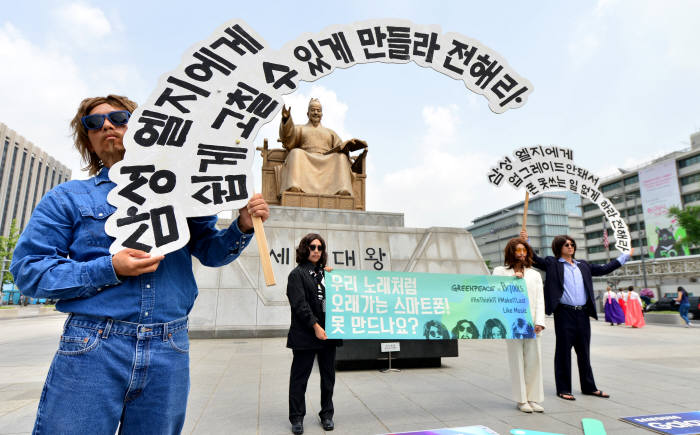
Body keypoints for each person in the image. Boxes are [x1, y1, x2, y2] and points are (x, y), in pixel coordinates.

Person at [9, 95, 270, 434]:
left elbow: (211, 250)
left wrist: (243, 226)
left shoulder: (183, 192)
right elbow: (30, 270)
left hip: (169, 345)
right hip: (93, 345)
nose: (106, 125)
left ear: (144, 128)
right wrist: (109, 268)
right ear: (88, 140)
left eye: (118, 117)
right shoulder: (68, 198)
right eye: (93, 123)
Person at [521, 230, 631, 401]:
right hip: (564, 313)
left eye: (572, 244)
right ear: (559, 247)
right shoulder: (552, 263)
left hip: (582, 314)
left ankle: (589, 387)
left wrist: (624, 257)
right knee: (563, 352)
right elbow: (534, 258)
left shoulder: (583, 265)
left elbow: (604, 269)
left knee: (584, 352)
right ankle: (564, 388)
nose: (571, 247)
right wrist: (526, 241)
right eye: (567, 244)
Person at [286, 233, 341, 434]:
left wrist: (336, 279)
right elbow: (300, 305)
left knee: (328, 378)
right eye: (312, 247)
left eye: (320, 248)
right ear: (305, 249)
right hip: (305, 335)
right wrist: (316, 326)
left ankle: (327, 414)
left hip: (329, 335)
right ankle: (297, 418)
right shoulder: (296, 274)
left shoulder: (327, 275)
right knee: (300, 379)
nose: (316, 251)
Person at [493, 238, 546, 413]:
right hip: (511, 323)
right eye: (518, 250)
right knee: (517, 361)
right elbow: (494, 294)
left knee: (534, 361)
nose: (522, 254)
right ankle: (522, 399)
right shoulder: (500, 272)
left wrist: (539, 321)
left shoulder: (534, 274)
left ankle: (534, 398)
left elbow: (539, 299)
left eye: (524, 250)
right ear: (510, 252)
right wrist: (513, 282)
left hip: (532, 323)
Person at [278, 98, 367, 196]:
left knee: (341, 157)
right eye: (313, 110)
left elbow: (340, 147)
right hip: (307, 158)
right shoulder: (300, 128)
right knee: (295, 152)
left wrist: (348, 146)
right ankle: (294, 186)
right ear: (307, 113)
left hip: (326, 160)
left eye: (318, 110)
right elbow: (288, 137)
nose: (316, 113)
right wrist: (286, 120)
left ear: (322, 114)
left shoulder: (330, 133)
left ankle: (343, 189)